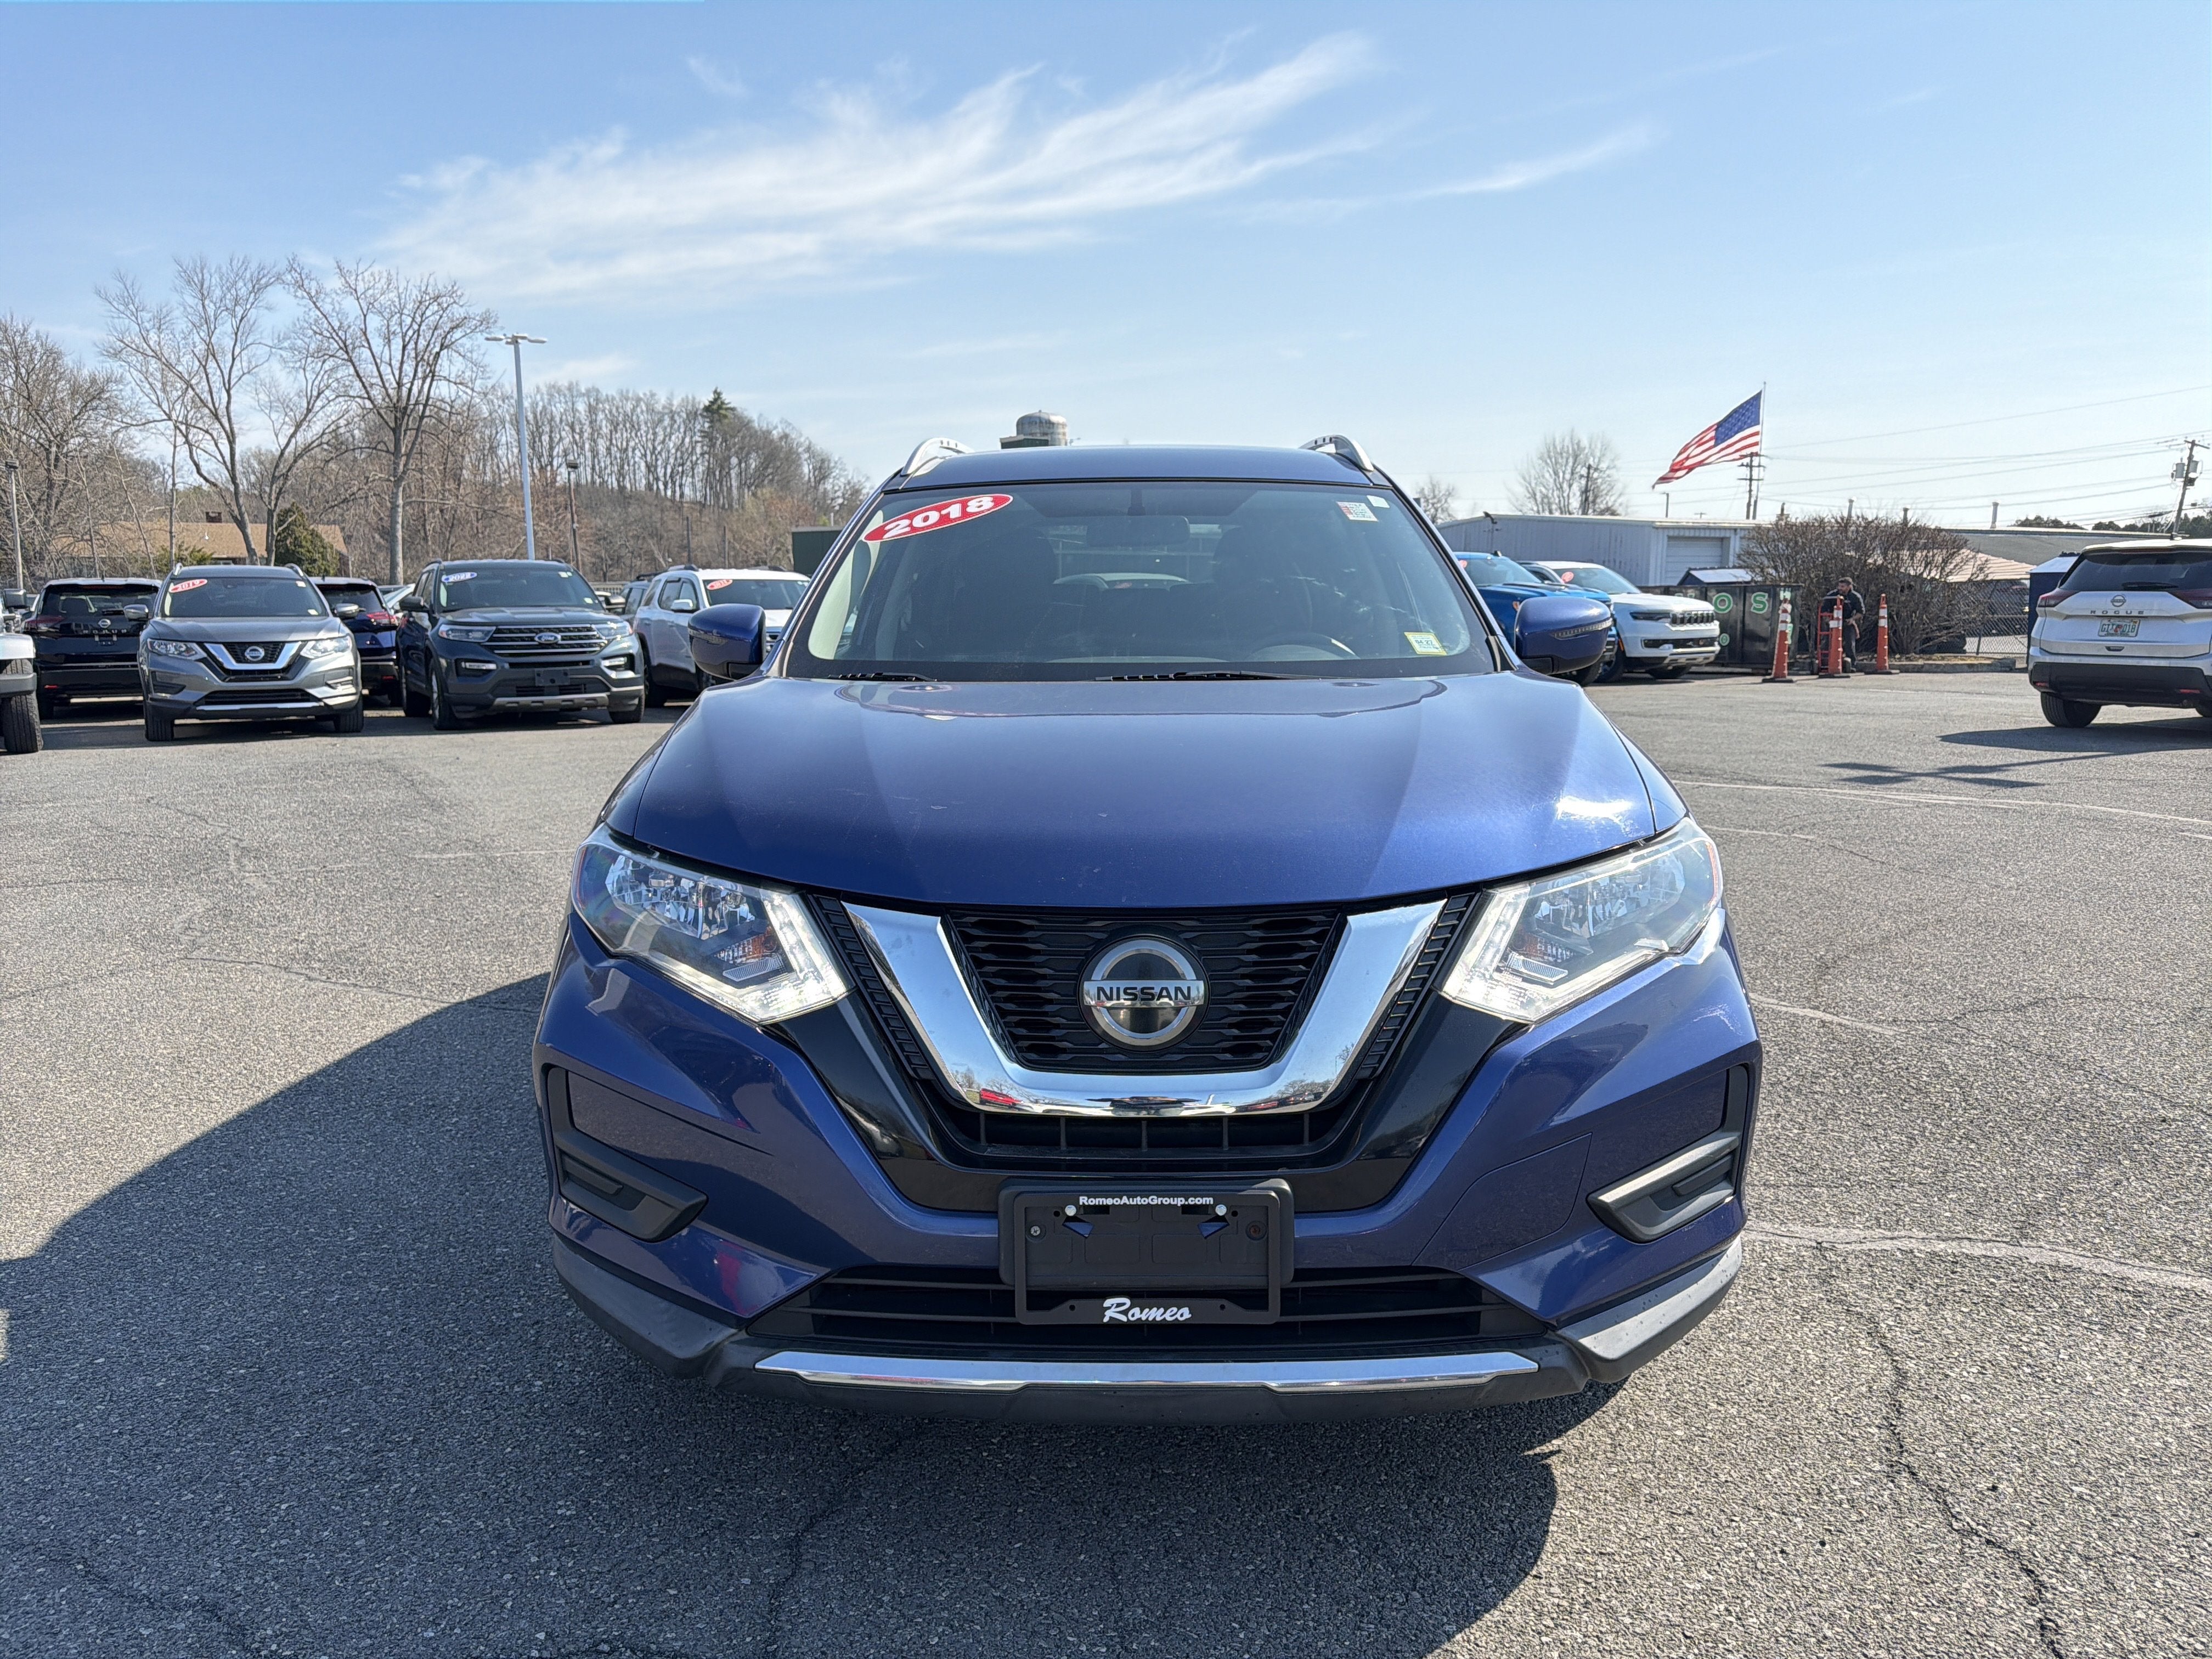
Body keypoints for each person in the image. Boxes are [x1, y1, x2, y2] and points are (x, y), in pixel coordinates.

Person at [1820, 576, 1867, 667]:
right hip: (1833, 622)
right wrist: (1827, 619)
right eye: (1839, 586)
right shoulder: (1832, 595)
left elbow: (1861, 612)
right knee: (1828, 643)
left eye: (1843, 586)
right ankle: (1825, 662)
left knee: (1850, 644)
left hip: (1847, 622)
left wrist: (1852, 619)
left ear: (1849, 587)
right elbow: (1823, 609)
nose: (1840, 588)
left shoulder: (1855, 597)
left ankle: (1852, 665)